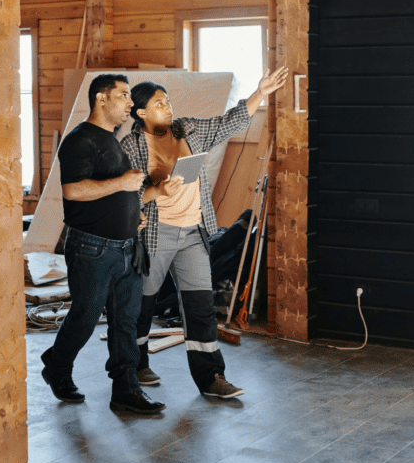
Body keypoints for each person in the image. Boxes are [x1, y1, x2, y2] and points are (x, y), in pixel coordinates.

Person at [121, 67, 289, 398]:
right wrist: (155, 190)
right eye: (158, 103)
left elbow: (230, 122)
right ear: (140, 113)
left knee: (199, 306)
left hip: (193, 232)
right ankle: (134, 364)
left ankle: (211, 377)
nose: (167, 107)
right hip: (155, 235)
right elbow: (123, 193)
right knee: (142, 304)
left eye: (167, 101)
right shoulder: (131, 146)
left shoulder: (188, 129)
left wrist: (261, 93)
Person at [40, 73, 165, 415]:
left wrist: (133, 214)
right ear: (101, 99)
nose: (129, 102)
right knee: (84, 317)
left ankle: (125, 390)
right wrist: (124, 183)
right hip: (92, 249)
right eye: (123, 95)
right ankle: (57, 366)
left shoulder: (113, 139)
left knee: (126, 321)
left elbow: (114, 193)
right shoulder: (80, 141)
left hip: (127, 246)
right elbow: (74, 191)